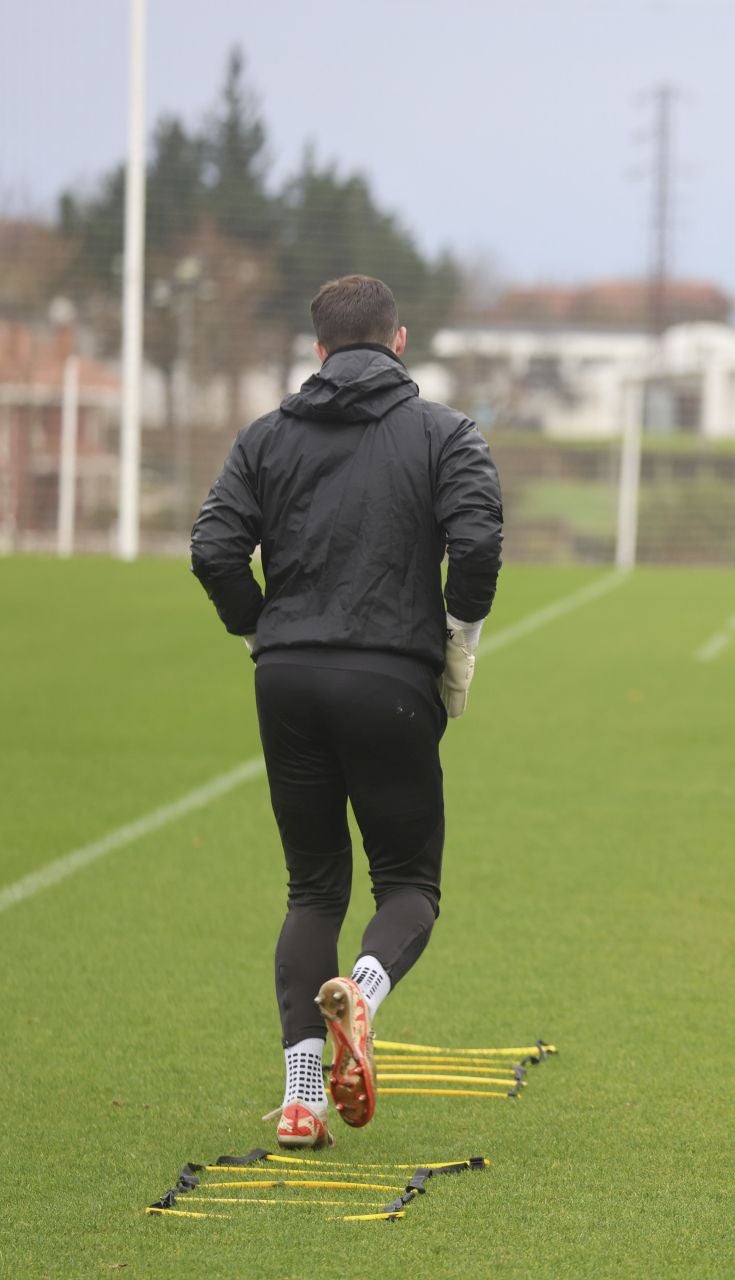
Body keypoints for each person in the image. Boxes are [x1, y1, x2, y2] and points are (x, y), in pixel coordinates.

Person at [190, 274, 503, 1149]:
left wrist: (264, 627)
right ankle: (360, 997)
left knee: (312, 888)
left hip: (285, 680)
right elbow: (478, 542)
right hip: (391, 682)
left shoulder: (265, 437)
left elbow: (213, 548)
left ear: (318, 350)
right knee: (408, 885)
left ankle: (300, 1101)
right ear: (399, 342)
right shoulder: (447, 434)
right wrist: (457, 636)